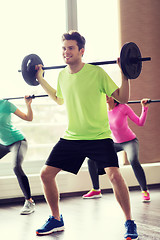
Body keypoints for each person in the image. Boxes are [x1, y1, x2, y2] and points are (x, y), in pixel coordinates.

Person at [35, 30, 138, 239]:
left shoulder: (96, 73)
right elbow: (58, 98)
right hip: (72, 137)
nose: (66, 52)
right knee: (45, 174)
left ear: (81, 51)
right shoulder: (63, 75)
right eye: (64, 48)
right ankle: (56, 219)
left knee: (115, 176)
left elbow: (123, 98)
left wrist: (125, 73)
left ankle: (129, 221)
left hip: (99, 136)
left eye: (71, 48)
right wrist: (39, 78)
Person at [83, 96, 151, 203]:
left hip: (130, 141)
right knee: (91, 159)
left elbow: (140, 122)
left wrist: (144, 108)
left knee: (133, 160)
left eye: (108, 94)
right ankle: (96, 190)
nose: (105, 97)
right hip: (115, 143)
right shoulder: (103, 111)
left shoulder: (123, 107)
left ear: (114, 97)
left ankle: (145, 190)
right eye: (104, 95)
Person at [0, 96, 35, 214]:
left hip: (17, 141)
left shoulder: (5, 104)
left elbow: (28, 118)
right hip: (3, 144)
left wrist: (28, 104)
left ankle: (29, 201)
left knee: (16, 167)